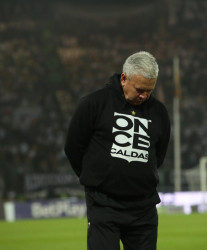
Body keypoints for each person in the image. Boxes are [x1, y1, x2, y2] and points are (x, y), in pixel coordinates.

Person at [64, 51, 171, 250]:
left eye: (149, 90)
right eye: (140, 89)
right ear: (124, 79)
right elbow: (73, 147)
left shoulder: (159, 112)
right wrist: (96, 178)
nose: (144, 96)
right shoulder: (94, 104)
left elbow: (159, 155)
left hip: (144, 207)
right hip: (104, 205)